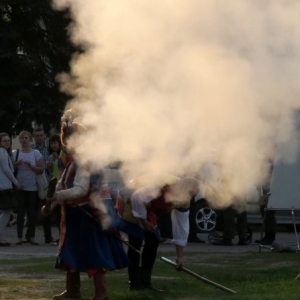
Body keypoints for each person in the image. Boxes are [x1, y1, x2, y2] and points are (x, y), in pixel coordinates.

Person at [47, 113, 130, 300]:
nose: (68, 147)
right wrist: (51, 201)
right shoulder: (72, 164)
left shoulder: (86, 163)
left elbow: (80, 190)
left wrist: (56, 196)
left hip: (88, 216)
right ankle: (72, 291)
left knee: (94, 255)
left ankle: (101, 293)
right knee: (70, 253)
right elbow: (61, 184)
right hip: (74, 217)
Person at [121, 173, 200, 291]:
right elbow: (137, 197)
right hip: (131, 200)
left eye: (191, 196)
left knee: (153, 240)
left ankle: (146, 282)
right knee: (135, 241)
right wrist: (143, 222)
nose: (187, 198)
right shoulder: (163, 184)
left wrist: (180, 257)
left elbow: (181, 227)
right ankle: (135, 284)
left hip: (147, 208)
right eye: (187, 194)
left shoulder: (184, 201)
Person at [13, 131, 44, 245]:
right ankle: (19, 237)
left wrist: (31, 166)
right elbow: (9, 168)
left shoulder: (35, 153)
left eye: (26, 138)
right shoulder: (15, 153)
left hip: (33, 187)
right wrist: (17, 163)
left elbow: (41, 169)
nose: (24, 140)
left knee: (32, 212)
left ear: (30, 140)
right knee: (20, 212)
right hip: (20, 186)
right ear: (20, 140)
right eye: (22, 138)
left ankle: (31, 236)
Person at [31, 127, 55, 244]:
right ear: (34, 136)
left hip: (48, 182)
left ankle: (48, 237)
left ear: (44, 136)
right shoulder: (31, 149)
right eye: (37, 135)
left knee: (47, 210)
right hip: (34, 183)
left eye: (41, 135)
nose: (39, 137)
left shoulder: (49, 149)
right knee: (32, 210)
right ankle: (30, 237)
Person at [0, 133, 22, 246]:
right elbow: (6, 169)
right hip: (4, 186)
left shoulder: (5, 153)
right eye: (4, 141)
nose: (7, 143)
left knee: (6, 212)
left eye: (8, 141)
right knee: (7, 211)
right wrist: (16, 182)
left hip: (4, 185)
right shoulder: (2, 152)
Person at [45, 134, 63, 245]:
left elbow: (64, 167)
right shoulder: (50, 156)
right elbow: (50, 171)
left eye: (55, 143)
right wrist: (49, 165)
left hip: (62, 185)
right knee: (56, 213)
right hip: (53, 185)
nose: (53, 145)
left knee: (61, 213)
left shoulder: (62, 154)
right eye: (51, 143)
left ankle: (63, 236)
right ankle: (58, 236)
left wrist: (58, 159)